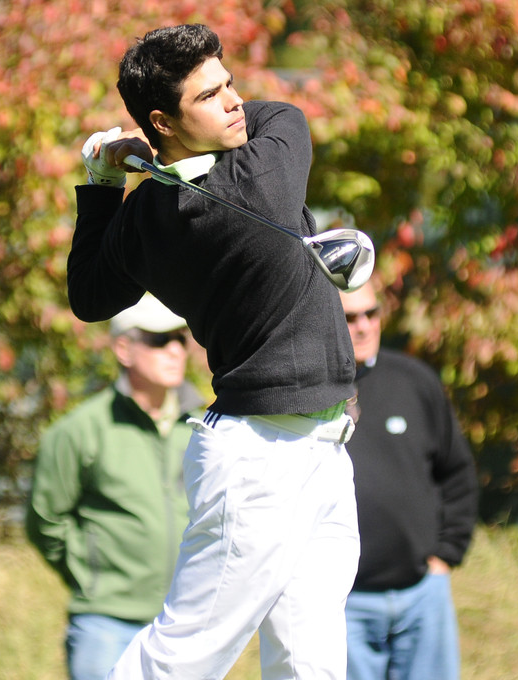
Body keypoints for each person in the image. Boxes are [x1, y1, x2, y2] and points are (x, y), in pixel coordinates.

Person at [67, 23, 360, 680]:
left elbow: (87, 295)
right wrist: (157, 155)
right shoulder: (265, 170)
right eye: (211, 96)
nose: (233, 103)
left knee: (311, 663)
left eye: (230, 86)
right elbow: (285, 112)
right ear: (161, 120)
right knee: (181, 658)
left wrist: (102, 178)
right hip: (260, 462)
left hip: (318, 444)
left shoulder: (145, 219)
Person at [25, 294, 205, 680]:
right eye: (159, 340)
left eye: (180, 338)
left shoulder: (205, 428)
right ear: (123, 348)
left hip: (186, 624)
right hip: (105, 625)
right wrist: (91, 573)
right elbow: (44, 520)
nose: (175, 349)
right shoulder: (80, 430)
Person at [339, 278, 479, 680]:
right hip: (346, 605)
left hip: (422, 596)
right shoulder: (311, 394)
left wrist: (445, 556)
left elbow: (457, 472)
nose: (364, 326)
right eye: (350, 317)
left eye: (372, 313)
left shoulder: (415, 381)